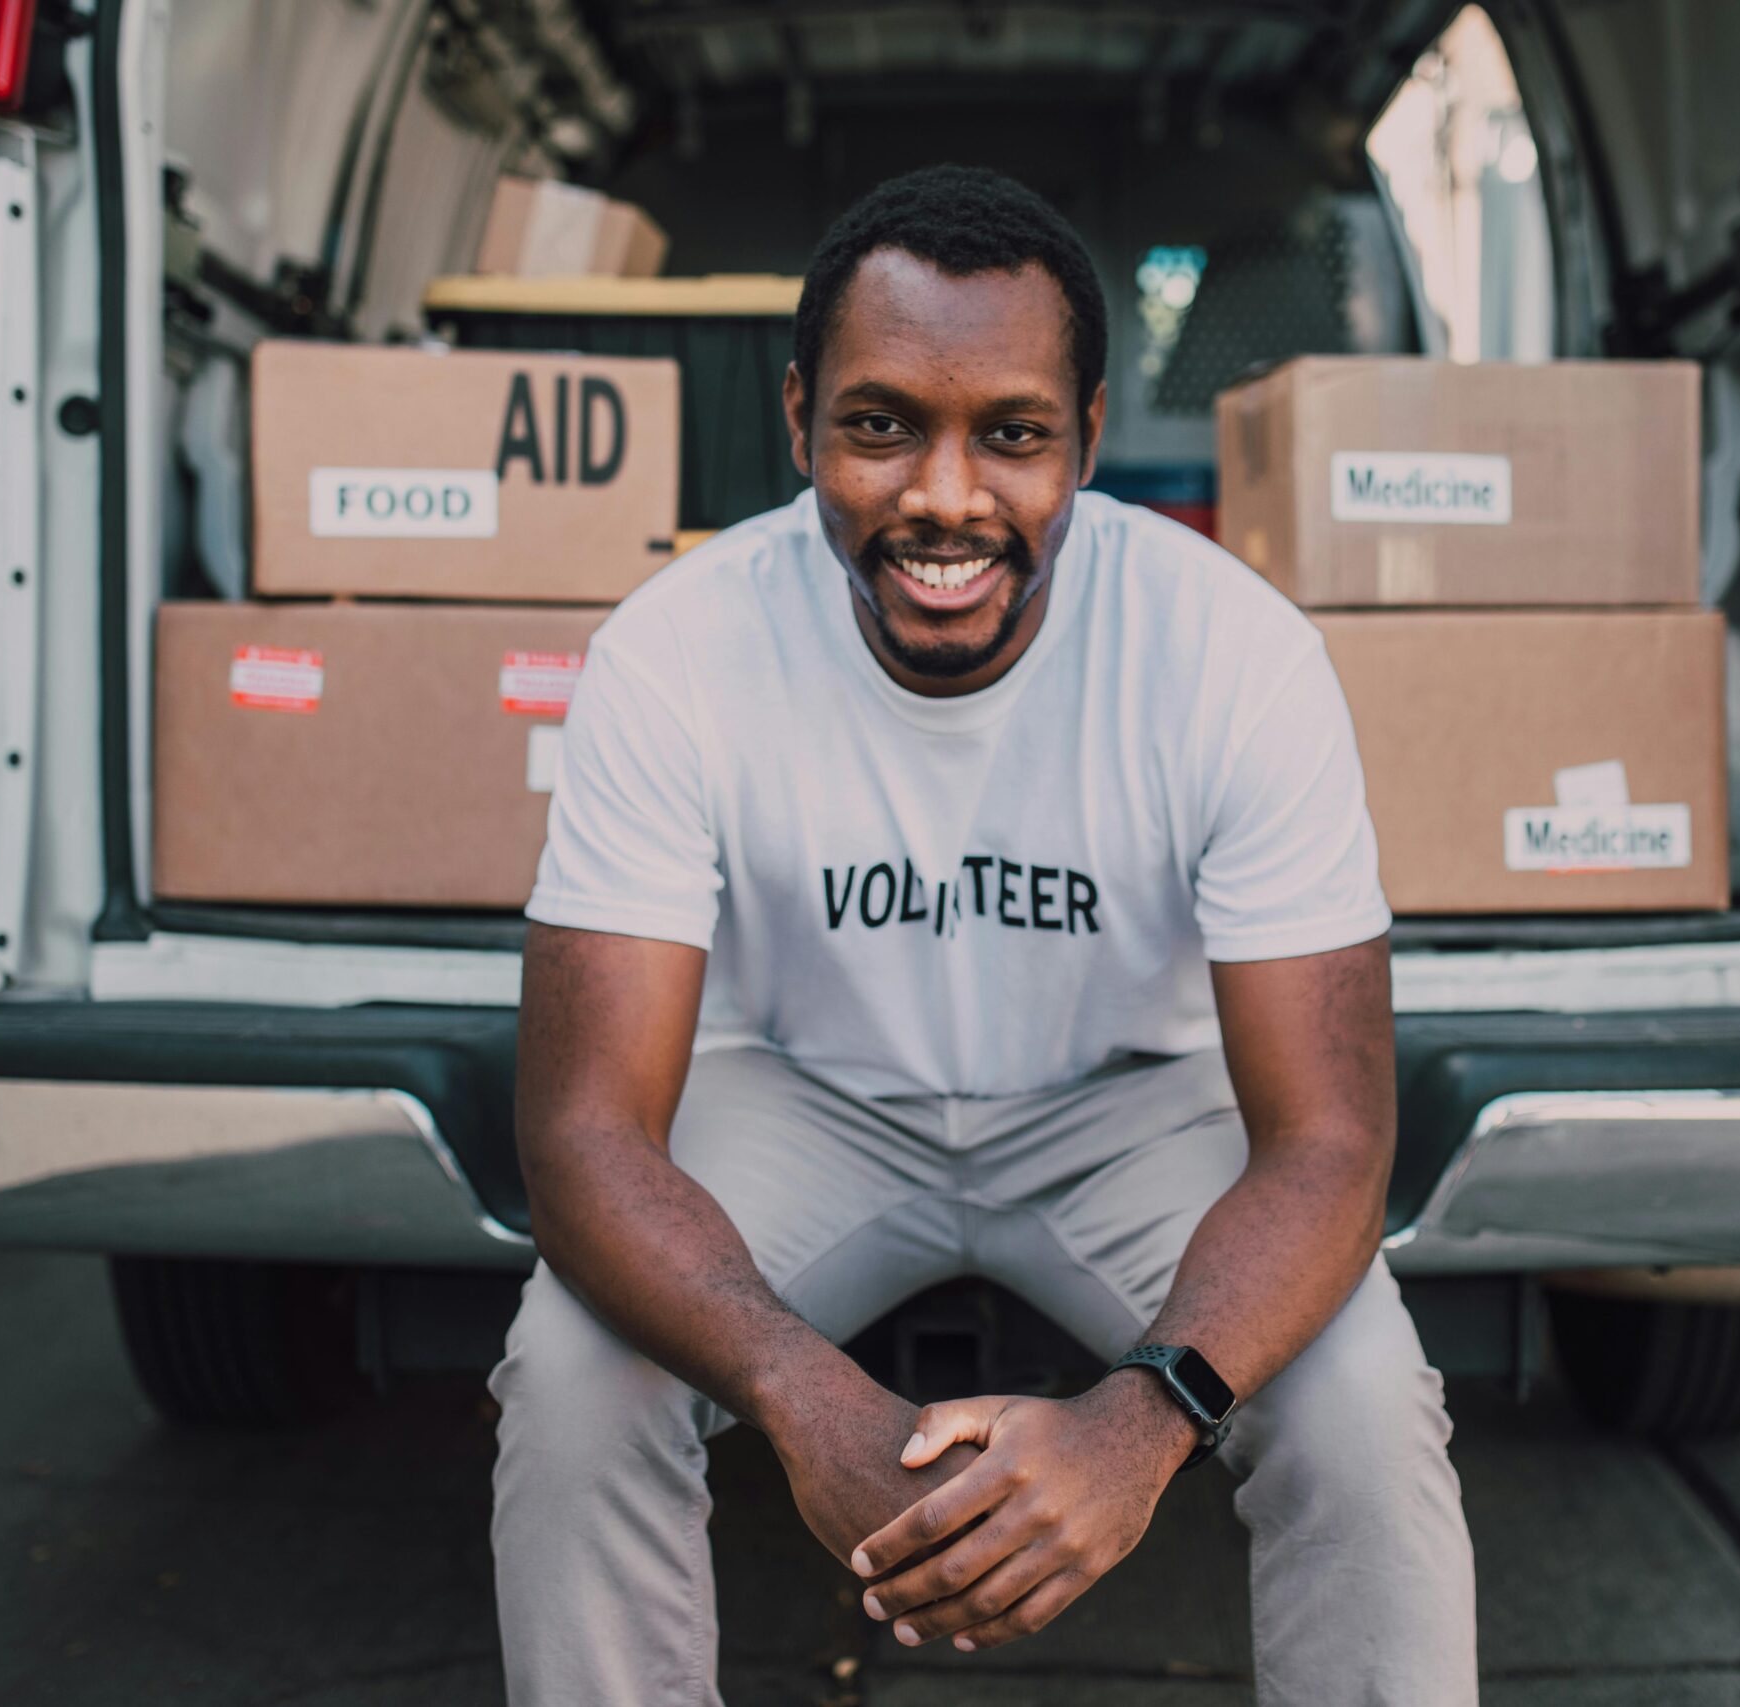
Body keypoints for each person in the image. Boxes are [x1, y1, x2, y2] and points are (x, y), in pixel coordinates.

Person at [491, 163, 1476, 1706]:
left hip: (1127, 1107)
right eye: (883, 426)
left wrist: (1143, 1423)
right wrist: (801, 1399)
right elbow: (583, 1130)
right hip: (805, 1096)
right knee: (572, 1370)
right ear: (803, 417)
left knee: (1358, 1395)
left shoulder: (1233, 654)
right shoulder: (675, 649)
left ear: (1086, 439)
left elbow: (1334, 1139)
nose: (945, 499)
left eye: (1011, 435)